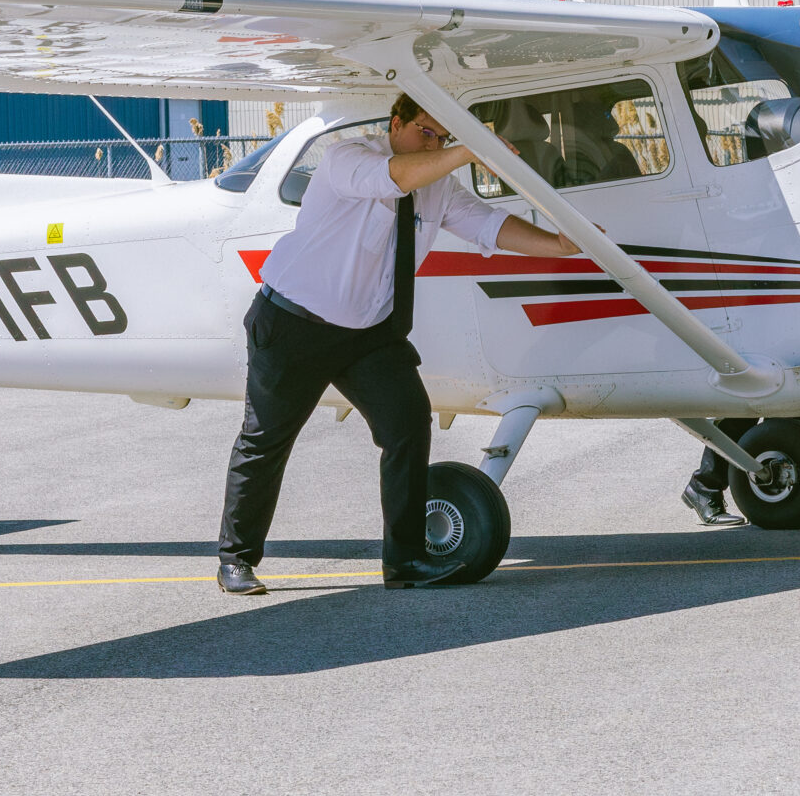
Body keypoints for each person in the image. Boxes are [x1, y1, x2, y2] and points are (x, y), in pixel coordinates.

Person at [216, 96, 578, 594]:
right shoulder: (349, 159)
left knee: (408, 425)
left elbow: (489, 226)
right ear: (397, 123)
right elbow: (394, 179)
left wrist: (559, 246)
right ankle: (236, 559)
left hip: (368, 333)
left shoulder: (437, 188)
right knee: (267, 441)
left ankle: (404, 560)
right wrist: (471, 150)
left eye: (443, 138)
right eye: (427, 133)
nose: (436, 144)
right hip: (294, 324)